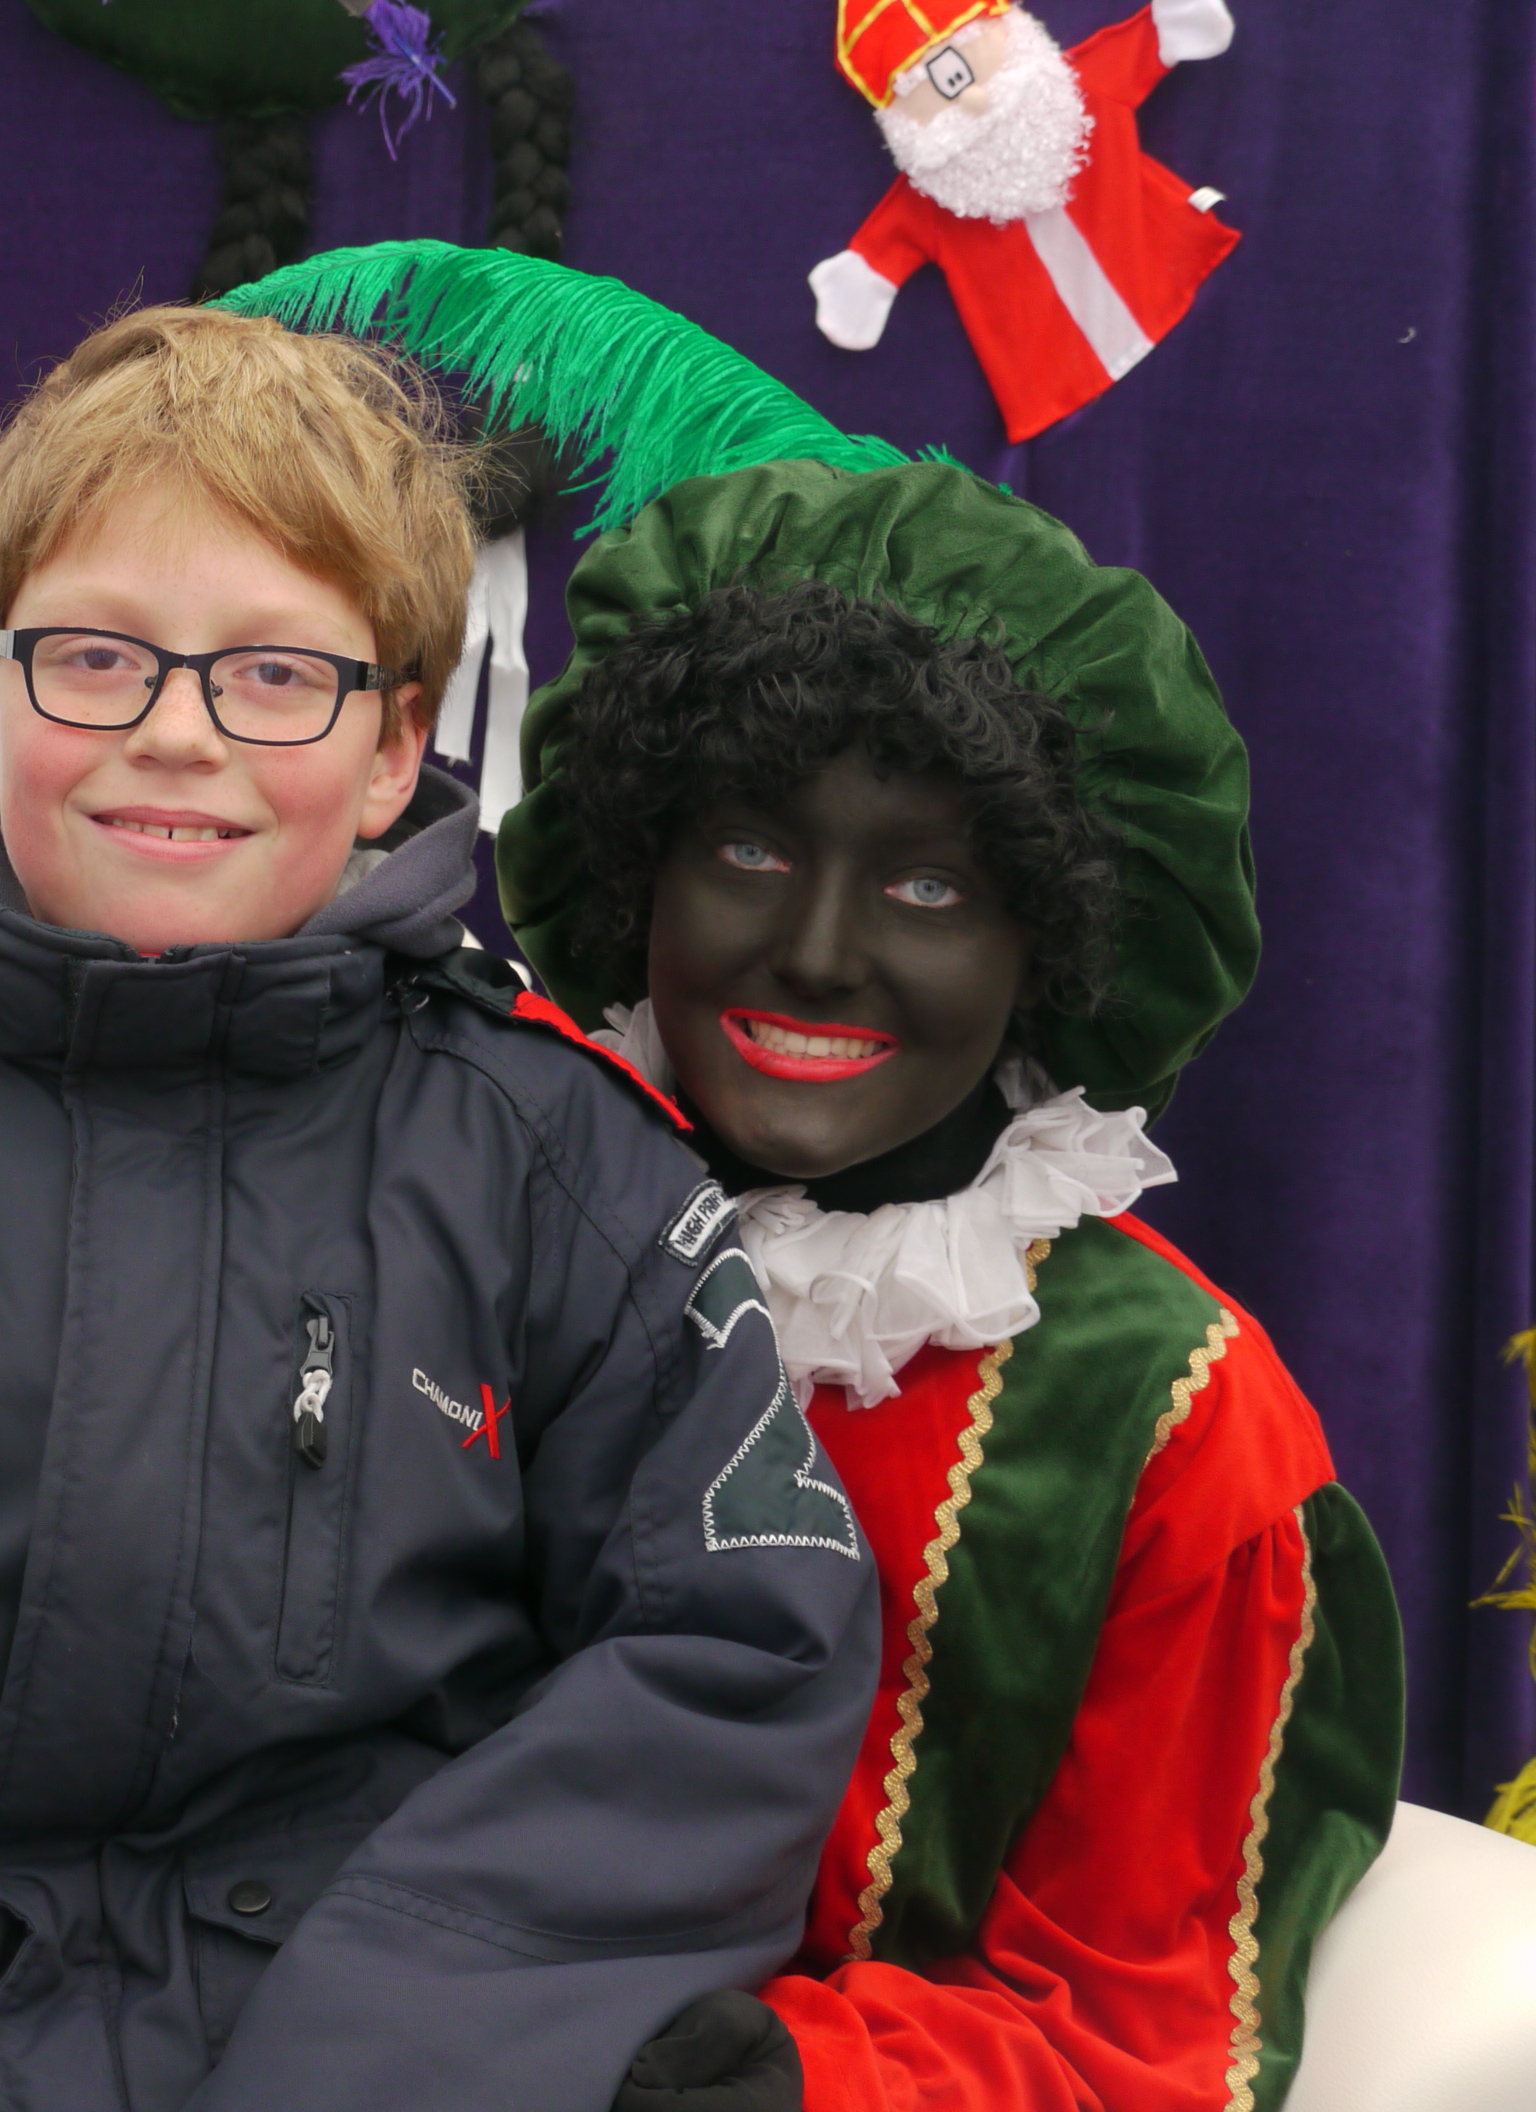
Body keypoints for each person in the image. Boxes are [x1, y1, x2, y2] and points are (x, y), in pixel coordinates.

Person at [0, 304, 880, 2111]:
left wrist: (371, 2068)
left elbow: (726, 1653)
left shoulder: (557, 1155)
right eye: (96, 659)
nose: (175, 733)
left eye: (276, 674)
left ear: (391, 751)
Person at [496, 456, 1405, 2112]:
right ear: (635, 872)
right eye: (748, 849)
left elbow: (1136, 2033)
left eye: (929, 887)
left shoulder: (1170, 1421)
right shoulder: (478, 1233)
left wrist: (783, 2080)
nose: (818, 951)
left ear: (1051, 943)